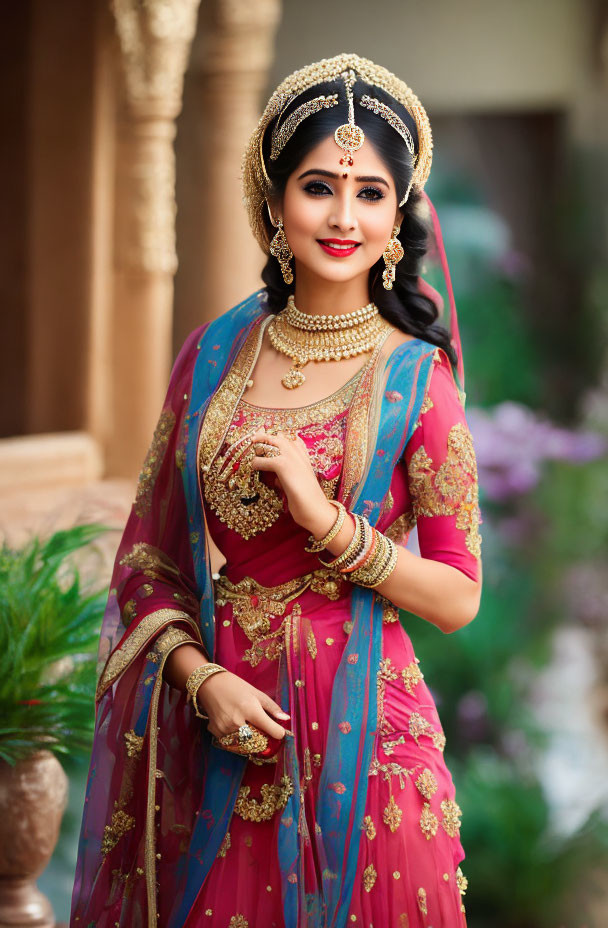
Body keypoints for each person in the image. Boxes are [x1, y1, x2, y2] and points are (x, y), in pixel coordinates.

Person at [70, 53, 483, 928]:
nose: (343, 217)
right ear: (272, 199)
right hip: (227, 726)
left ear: (399, 215)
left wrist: (327, 520)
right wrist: (197, 678)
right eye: (317, 187)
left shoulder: (417, 379)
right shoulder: (215, 357)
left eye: (371, 192)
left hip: (369, 741)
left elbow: (456, 596)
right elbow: (147, 554)